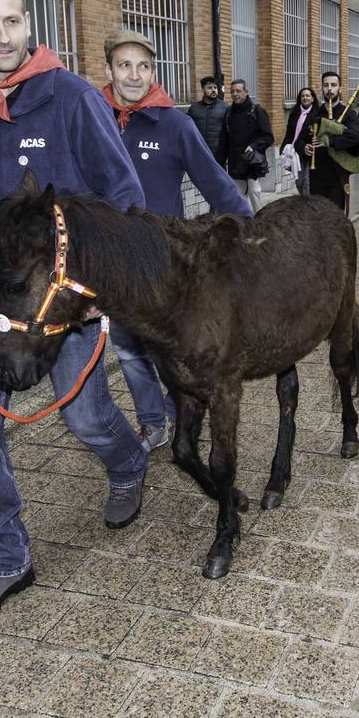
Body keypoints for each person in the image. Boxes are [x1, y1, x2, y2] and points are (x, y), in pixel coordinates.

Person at [0, 0, 148, 628]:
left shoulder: (72, 98)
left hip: (59, 302)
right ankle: (3, 560)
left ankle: (129, 458)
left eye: (13, 20)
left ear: (29, 23)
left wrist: (99, 289)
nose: (3, 35)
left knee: (84, 419)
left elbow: (125, 195)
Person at [101, 29, 252, 448]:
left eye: (144, 66)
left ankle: (175, 406)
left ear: (154, 70)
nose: (134, 75)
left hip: (165, 262)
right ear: (108, 68)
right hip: (113, 265)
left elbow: (215, 182)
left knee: (173, 349)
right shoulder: (92, 118)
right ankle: (153, 421)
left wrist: (252, 230)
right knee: (129, 350)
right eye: (125, 65)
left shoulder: (174, 123)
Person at [305, 71, 359, 213]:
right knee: (317, 220)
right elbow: (300, 138)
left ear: (340, 89)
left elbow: (355, 136)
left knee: (335, 219)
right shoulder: (314, 114)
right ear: (322, 88)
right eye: (326, 85)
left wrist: (330, 141)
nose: (329, 89)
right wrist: (304, 147)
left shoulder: (348, 114)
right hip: (316, 175)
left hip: (337, 176)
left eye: (333, 85)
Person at [221, 78, 273, 211]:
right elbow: (225, 140)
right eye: (232, 91)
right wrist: (220, 160)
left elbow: (268, 137)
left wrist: (254, 146)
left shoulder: (257, 110)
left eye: (238, 91)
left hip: (251, 161)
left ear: (246, 92)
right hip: (235, 162)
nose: (235, 94)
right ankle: (244, 224)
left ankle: (259, 222)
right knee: (238, 196)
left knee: (254, 192)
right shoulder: (228, 113)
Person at [280, 86, 318, 196]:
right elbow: (289, 134)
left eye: (307, 95)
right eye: (303, 96)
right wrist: (283, 148)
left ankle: (308, 205)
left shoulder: (317, 114)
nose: (305, 98)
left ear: (312, 98)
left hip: (311, 154)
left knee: (307, 182)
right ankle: (305, 199)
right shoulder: (294, 113)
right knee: (299, 181)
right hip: (297, 152)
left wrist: (308, 145)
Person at [187, 75, 229, 165]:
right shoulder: (194, 108)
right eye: (209, 88)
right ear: (203, 89)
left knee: (218, 179)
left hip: (219, 155)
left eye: (215, 87)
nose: (213, 90)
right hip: (199, 153)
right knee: (199, 178)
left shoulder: (225, 107)